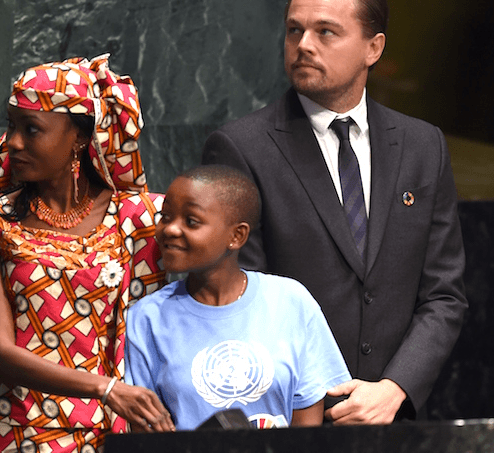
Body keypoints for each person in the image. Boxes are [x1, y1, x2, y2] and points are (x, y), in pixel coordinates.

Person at [201, 0, 468, 423]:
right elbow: (239, 300)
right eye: (294, 30)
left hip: (396, 418)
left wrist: (395, 387)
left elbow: (444, 294)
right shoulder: (241, 148)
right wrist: (313, 399)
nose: (304, 44)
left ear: (373, 48)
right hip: (290, 418)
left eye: (326, 31)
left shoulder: (424, 146)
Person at [0, 56, 175, 453]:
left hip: (120, 436)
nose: (13, 142)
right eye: (11, 125)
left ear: (81, 138)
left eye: (31, 129)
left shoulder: (143, 218)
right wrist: (106, 389)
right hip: (17, 435)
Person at [125, 165, 351, 430]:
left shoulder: (290, 301)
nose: (171, 230)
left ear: (237, 235)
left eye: (191, 221)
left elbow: (307, 429)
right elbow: (145, 433)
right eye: (165, 217)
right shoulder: (146, 318)